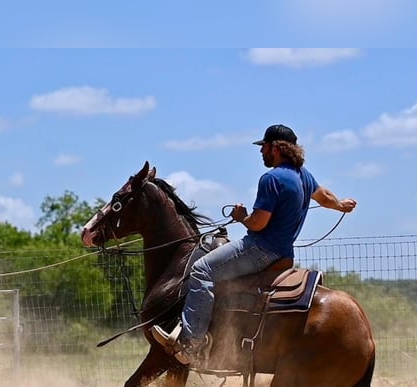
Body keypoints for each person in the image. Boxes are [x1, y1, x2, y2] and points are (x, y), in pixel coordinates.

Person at [152, 124, 358, 365]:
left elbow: (259, 224)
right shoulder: (304, 176)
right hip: (284, 253)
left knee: (201, 270)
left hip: (260, 249)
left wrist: (241, 217)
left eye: (264, 148)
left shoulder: (271, 178)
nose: (261, 153)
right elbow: (325, 198)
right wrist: (342, 205)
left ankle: (191, 343)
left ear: (276, 148)